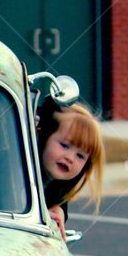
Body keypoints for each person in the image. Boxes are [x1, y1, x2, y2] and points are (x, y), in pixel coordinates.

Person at [36, 96, 105, 239]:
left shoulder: (55, 188)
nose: (70, 158)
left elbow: (59, 204)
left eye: (80, 156)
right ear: (44, 136)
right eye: (64, 145)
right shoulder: (12, 172)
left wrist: (58, 210)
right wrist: (36, 214)